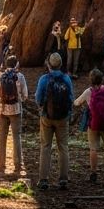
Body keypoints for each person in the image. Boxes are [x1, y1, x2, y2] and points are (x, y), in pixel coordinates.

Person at [74, 68, 104, 183]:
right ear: (102, 80)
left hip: (93, 125)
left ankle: (94, 173)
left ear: (90, 80)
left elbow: (76, 102)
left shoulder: (88, 92)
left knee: (93, 149)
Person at [34, 51, 73, 190]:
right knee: (63, 147)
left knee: (45, 146)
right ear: (61, 65)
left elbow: (38, 99)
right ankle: (63, 179)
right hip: (63, 118)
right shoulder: (67, 79)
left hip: (46, 117)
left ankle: (43, 179)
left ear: (49, 64)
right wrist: (68, 113)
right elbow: (71, 98)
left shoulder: (44, 79)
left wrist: (42, 109)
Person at [0, 54, 28, 178]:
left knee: (2, 138)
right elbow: (25, 95)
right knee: (16, 137)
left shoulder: (1, 76)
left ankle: (1, 165)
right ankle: (17, 164)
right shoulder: (20, 76)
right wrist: (19, 100)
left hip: (3, 111)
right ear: (16, 64)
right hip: (16, 110)